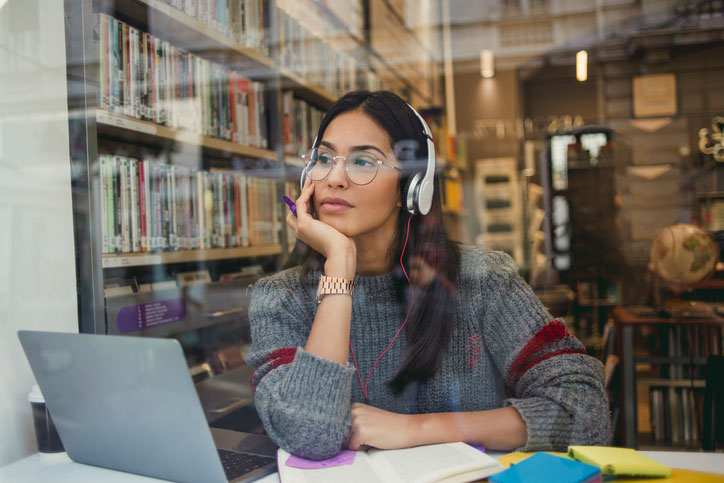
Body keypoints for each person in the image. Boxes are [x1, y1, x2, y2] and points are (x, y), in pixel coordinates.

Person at [246, 90, 610, 460]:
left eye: (363, 161)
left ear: (413, 184)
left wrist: (415, 429)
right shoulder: (280, 298)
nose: (335, 177)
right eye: (324, 158)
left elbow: (585, 412)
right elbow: (308, 436)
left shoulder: (482, 280)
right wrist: (339, 262)